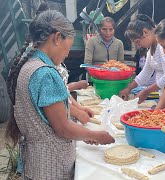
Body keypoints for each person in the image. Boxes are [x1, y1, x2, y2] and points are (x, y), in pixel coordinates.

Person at [6, 10, 115, 179]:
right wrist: (96, 135)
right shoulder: (46, 74)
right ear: (57, 38)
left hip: (35, 162)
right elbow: (63, 128)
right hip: (49, 165)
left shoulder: (29, 64)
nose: (67, 54)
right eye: (68, 47)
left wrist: (82, 133)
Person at [119, 14, 165, 104]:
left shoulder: (163, 46)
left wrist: (146, 91)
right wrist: (128, 88)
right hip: (164, 95)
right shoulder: (151, 49)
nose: (138, 45)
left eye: (137, 41)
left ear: (145, 32)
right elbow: (146, 72)